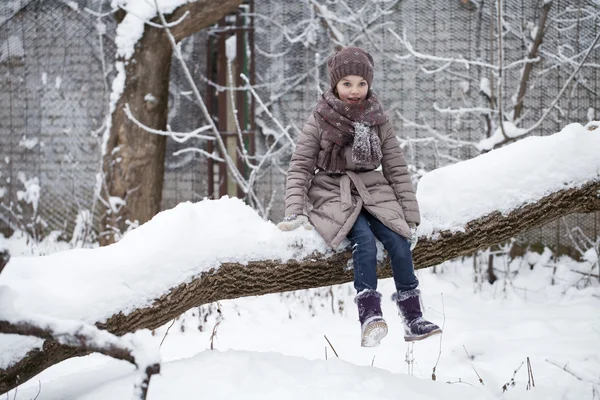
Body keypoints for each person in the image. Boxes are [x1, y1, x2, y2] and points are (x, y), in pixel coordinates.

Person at [277, 47, 442, 347]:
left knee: (398, 242)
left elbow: (395, 166)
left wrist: (410, 215)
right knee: (364, 243)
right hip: (332, 191)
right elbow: (300, 165)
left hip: (373, 190)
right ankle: (369, 316)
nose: (355, 91)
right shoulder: (319, 119)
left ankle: (413, 318)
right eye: (347, 84)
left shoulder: (378, 119)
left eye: (361, 84)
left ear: (369, 84)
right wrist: (295, 210)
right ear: (335, 85)